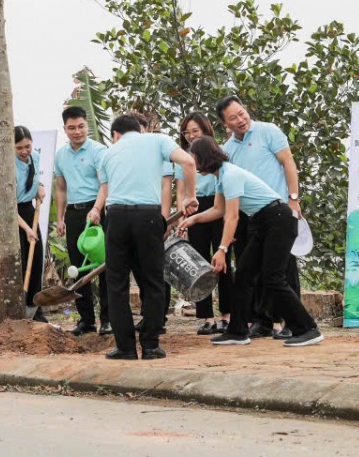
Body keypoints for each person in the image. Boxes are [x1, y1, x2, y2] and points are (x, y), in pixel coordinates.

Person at [181, 137, 323, 347]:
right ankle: (237, 331)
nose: (194, 166)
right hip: (263, 221)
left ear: (205, 157)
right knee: (244, 275)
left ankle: (307, 328)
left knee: (273, 278)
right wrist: (193, 219)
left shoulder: (230, 175)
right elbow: (218, 210)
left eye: (195, 160)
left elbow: (232, 217)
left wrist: (221, 249)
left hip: (279, 219)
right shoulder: (221, 177)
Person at [89, 114, 197, 360]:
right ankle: (150, 346)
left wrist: (97, 210)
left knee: (116, 284)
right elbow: (189, 163)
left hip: (115, 216)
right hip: (148, 216)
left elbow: (105, 190)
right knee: (152, 281)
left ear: (116, 134)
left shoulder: (107, 153)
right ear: (139, 129)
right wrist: (190, 196)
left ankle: (125, 348)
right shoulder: (156, 140)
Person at [217, 96, 304, 339]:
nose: (240, 119)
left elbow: (288, 162)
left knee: (285, 267)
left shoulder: (268, 131)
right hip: (248, 215)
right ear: (225, 124)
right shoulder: (228, 150)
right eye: (233, 118)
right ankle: (262, 320)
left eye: (241, 113)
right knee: (250, 269)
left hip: (278, 210)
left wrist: (293, 198)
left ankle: (290, 321)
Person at [54, 106, 110, 336]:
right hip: (75, 215)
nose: (77, 132)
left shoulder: (99, 151)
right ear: (65, 129)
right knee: (77, 267)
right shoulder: (60, 155)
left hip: (98, 211)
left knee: (104, 266)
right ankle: (86, 320)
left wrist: (97, 209)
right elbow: (60, 188)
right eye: (72, 128)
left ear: (87, 126)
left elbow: (105, 184)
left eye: (81, 127)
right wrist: (60, 218)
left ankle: (108, 319)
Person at [176, 113, 230, 334]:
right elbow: (180, 192)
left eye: (195, 131)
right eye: (186, 132)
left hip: (219, 207)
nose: (190, 136)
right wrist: (183, 220)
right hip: (193, 210)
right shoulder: (183, 157)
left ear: (206, 130)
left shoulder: (219, 152)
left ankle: (227, 315)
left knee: (222, 262)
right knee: (198, 266)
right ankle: (207, 318)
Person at [14, 125, 48, 322]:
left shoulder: (34, 156)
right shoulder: (7, 165)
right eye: (19, 148)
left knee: (36, 260)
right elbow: (8, 205)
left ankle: (36, 310)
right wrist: (26, 229)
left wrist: (40, 186)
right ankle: (20, 307)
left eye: (27, 146)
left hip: (29, 210)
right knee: (22, 261)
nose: (25, 151)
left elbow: (34, 179)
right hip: (13, 215)